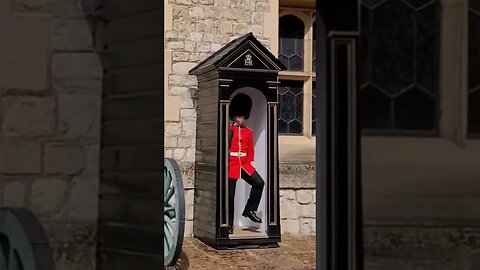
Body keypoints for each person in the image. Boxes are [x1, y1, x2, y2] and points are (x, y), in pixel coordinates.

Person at [227, 93, 265, 235]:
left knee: (259, 183)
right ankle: (228, 225)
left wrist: (250, 163)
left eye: (243, 116)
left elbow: (250, 150)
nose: (241, 119)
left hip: (244, 165)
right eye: (238, 116)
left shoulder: (248, 132)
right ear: (234, 115)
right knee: (230, 197)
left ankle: (250, 210)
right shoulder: (228, 130)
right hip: (231, 165)